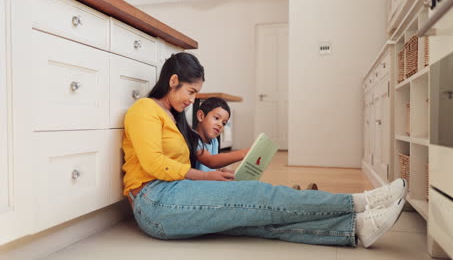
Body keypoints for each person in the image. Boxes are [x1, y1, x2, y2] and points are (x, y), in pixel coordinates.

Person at [122, 52, 408, 248]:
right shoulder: (144, 110)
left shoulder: (172, 116)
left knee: (255, 218)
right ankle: (361, 202)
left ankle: (356, 227)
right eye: (191, 92)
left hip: (171, 195)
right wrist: (206, 177)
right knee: (259, 196)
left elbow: (182, 163)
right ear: (173, 81)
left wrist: (210, 173)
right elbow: (154, 165)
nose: (193, 99)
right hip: (154, 202)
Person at [193, 97, 249, 172]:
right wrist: (244, 153)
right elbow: (211, 161)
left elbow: (214, 168)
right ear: (201, 116)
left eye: (224, 123)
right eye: (216, 118)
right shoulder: (194, 138)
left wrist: (224, 172)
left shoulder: (214, 141)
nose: (220, 125)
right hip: (197, 183)